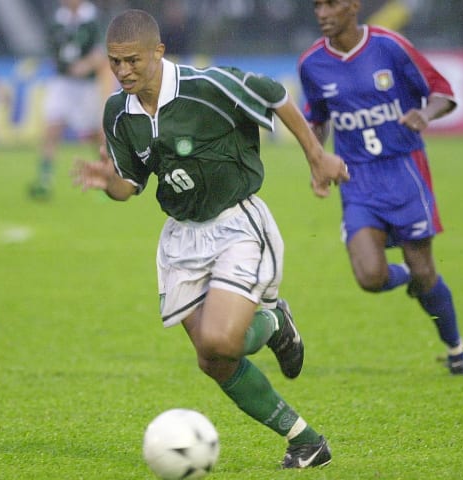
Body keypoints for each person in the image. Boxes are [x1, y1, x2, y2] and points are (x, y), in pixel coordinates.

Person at [72, 9, 350, 469]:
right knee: (211, 358)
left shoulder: (208, 86)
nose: (122, 71)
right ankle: (306, 442)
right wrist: (109, 181)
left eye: (132, 60)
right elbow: (131, 185)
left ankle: (276, 323)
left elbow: (274, 94)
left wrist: (317, 156)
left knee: (223, 340)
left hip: (236, 225)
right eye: (115, 61)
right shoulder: (118, 113)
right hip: (181, 240)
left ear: (158, 52)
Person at [298, 0, 463, 375]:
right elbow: (316, 118)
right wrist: (317, 161)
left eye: (331, 5)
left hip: (405, 173)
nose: (322, 13)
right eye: (317, 6)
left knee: (426, 271)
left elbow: (443, 93)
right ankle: (408, 278)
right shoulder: (312, 63)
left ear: (354, 7)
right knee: (370, 277)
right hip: (357, 179)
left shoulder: (389, 46)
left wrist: (424, 115)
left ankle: (457, 349)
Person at [28, 0, 111, 200]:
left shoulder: (93, 19)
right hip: (62, 82)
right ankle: (44, 180)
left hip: (86, 86)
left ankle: (108, 180)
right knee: (51, 129)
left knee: (96, 136)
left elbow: (102, 52)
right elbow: (52, 50)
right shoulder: (57, 20)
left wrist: (86, 65)